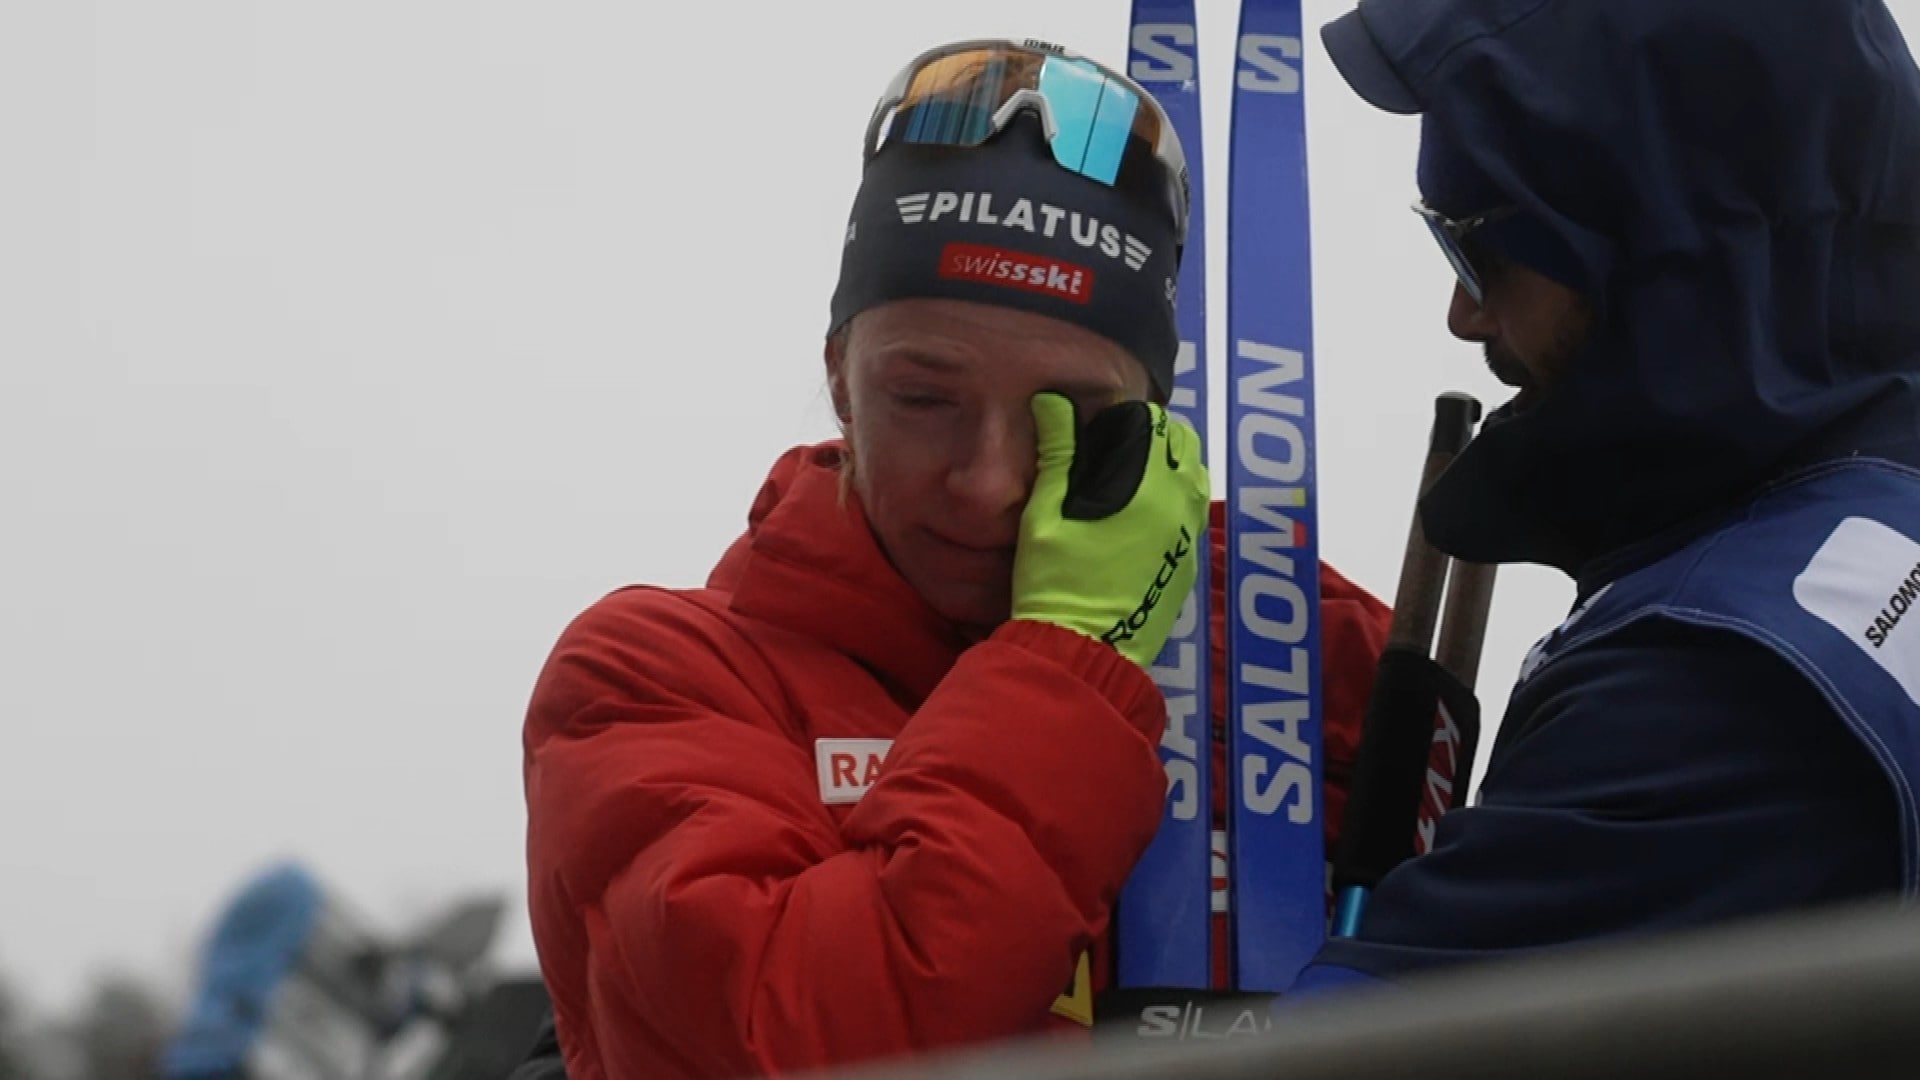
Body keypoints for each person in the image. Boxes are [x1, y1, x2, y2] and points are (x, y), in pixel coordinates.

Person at [519, 37, 1394, 1079]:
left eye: (1069, 414)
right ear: (840, 378)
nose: (988, 482)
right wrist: (1070, 659)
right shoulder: (659, 677)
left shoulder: (1296, 659)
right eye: (925, 398)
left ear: (1154, 416)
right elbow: (793, 1044)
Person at [1293, 0, 1920, 993]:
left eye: (1476, 246)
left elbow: (1344, 1050)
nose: (1463, 313)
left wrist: (1068, 678)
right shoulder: (1873, 528)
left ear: (1669, 244)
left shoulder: (1715, 695)